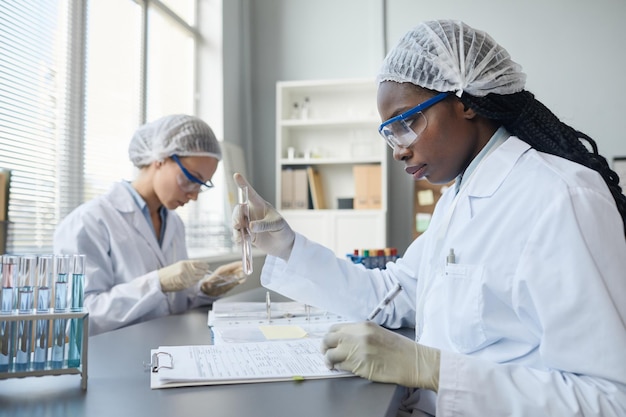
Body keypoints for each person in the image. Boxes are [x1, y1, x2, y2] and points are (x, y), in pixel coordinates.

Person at [232, 20, 626, 417]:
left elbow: (610, 399)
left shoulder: (561, 198)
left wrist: (435, 371)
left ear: (467, 101)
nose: (398, 151)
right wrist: (286, 246)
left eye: (407, 122)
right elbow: (391, 295)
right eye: (390, 133)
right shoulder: (456, 198)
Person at [54, 114, 244, 335]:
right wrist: (157, 283)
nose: (194, 195)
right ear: (160, 158)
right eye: (191, 179)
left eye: (201, 185)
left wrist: (205, 290)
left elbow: (172, 305)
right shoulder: (88, 221)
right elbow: (80, 317)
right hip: (113, 355)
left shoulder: (173, 223)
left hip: (166, 348)